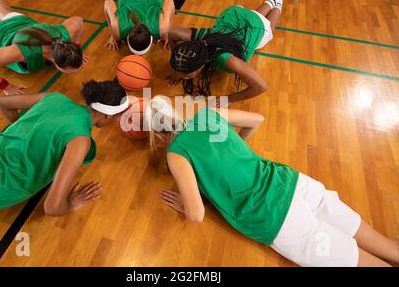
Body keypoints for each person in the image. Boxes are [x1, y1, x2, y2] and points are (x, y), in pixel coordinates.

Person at [144, 95, 399, 267]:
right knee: (390, 248)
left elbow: (197, 214)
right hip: (292, 182)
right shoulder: (207, 116)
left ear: (156, 133)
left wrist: (186, 203)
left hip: (274, 216)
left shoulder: (176, 153)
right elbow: (257, 120)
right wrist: (234, 151)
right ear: (176, 112)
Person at [0, 80, 129, 241]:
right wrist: (73, 203)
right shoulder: (80, 141)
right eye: (117, 117)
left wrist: (23, 132)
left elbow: (1, 102)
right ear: (107, 115)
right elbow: (52, 207)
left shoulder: (55, 98)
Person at [167, 0, 300, 104]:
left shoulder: (226, 59)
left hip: (254, 26)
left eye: (186, 73)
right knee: (254, 15)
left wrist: (228, 99)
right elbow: (171, 33)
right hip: (234, 15)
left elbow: (261, 87)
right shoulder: (197, 41)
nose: (184, 77)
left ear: (201, 65)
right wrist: (180, 66)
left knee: (268, 29)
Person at [104, 0, 175, 55]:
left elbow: (169, 2)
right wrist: (113, 34)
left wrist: (168, 33)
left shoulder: (163, 30)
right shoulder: (117, 31)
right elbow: (108, 3)